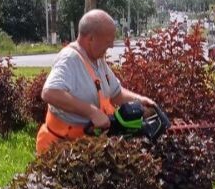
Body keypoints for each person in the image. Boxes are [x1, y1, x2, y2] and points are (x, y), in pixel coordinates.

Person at [36, 9, 156, 155]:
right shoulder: (70, 59)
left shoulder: (98, 60)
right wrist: (91, 112)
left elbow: (116, 93)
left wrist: (140, 100)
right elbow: (50, 93)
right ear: (90, 39)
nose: (111, 46)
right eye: (107, 41)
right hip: (61, 148)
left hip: (86, 146)